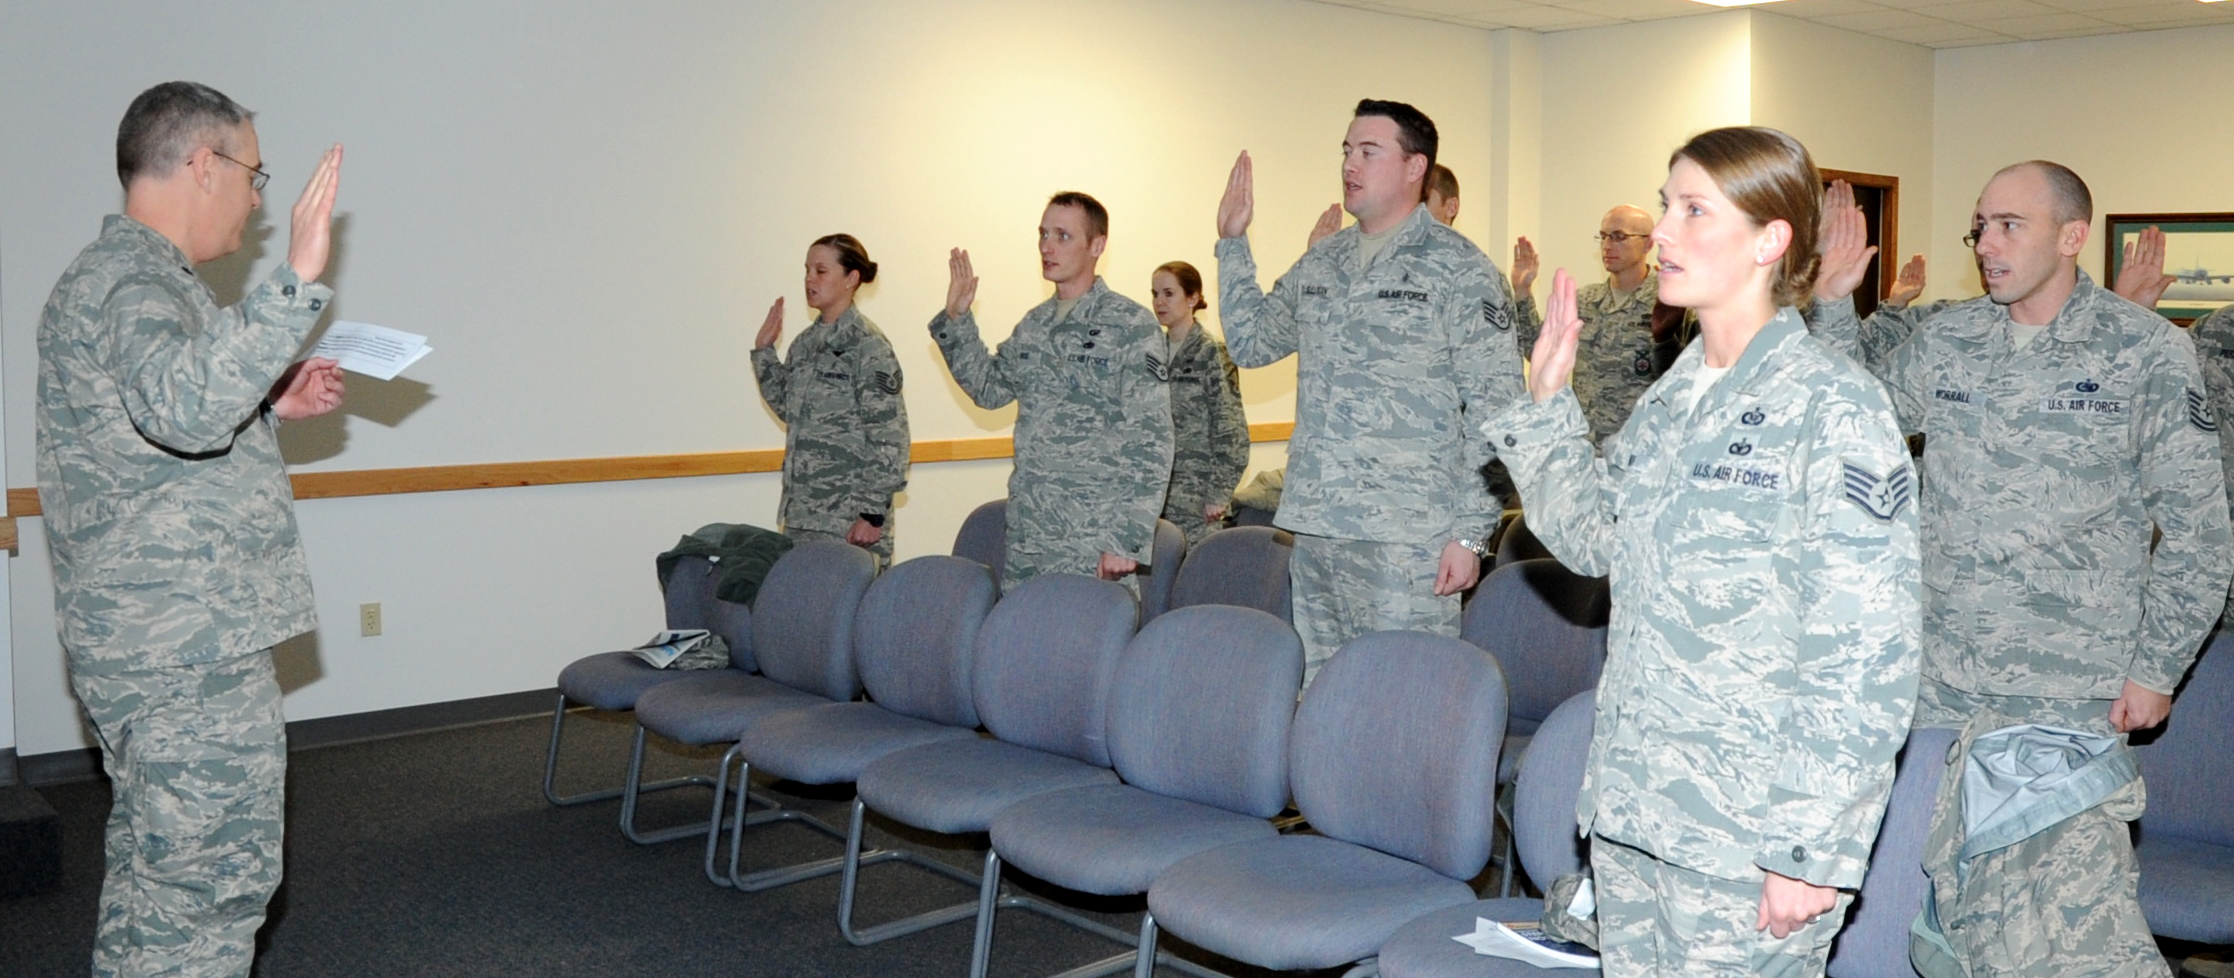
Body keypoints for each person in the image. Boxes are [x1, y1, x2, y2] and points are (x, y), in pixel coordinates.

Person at [1489, 125, 1920, 978]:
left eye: (1694, 210)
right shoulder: (1675, 396)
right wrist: (1546, 409)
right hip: (1641, 812)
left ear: (1770, 239)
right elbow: (1594, 543)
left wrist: (1810, 846)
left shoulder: (1833, 406)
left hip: (1751, 835)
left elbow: (1867, 652)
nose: (1665, 233)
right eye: (1664, 205)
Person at [1809, 161, 2232, 978]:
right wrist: (1832, 301)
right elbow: (1849, 423)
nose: (1987, 246)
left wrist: (2157, 668)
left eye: (2010, 225)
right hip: (1941, 682)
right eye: (1981, 227)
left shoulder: (2144, 351)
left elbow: (2199, 532)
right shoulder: (1953, 337)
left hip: (2064, 692)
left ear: (2073, 237)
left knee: (2071, 938)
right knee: (1933, 908)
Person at [35, 81, 346, 978]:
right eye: (252, 175)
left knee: (155, 888)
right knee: (206, 895)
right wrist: (296, 279)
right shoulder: (135, 281)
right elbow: (179, 408)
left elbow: (151, 435)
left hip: (150, 645)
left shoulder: (123, 279)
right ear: (203, 166)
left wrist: (267, 404)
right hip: (182, 659)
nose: (257, 201)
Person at [1214, 99, 1524, 684]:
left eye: (1368, 151)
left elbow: (1498, 410)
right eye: (1346, 151)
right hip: (1319, 527)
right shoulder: (1322, 263)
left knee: (1401, 696)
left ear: (1415, 168)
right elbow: (1252, 344)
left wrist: (1470, 534)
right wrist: (1233, 244)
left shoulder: (1459, 269)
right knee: (1324, 696)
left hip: (1409, 537)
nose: (1350, 165)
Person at [931, 192, 1173, 593]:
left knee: (1085, 649)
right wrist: (957, 321)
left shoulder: (1130, 325)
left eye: (1062, 235)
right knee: (1022, 648)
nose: (1046, 246)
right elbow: (990, 389)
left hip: (1092, 538)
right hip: (1030, 535)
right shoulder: (1035, 324)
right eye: (1043, 234)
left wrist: (1125, 540)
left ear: (1097, 246)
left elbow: (1152, 438)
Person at [750, 233, 910, 565]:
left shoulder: (868, 346)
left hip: (850, 521)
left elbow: (890, 436)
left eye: (821, 271)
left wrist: (871, 514)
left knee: (848, 615)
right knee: (805, 614)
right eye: (807, 270)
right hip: (802, 516)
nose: (809, 279)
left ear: (851, 279)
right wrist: (765, 353)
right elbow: (789, 409)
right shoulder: (804, 344)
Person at [1507, 206, 1669, 444]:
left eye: (1619, 236)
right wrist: (1522, 291)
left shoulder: (1669, 304)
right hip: (1586, 448)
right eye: (1603, 236)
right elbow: (1540, 353)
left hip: (1641, 451)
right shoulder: (1584, 301)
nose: (1607, 245)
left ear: (1648, 244)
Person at [1149, 261, 1250, 546]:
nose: (1159, 302)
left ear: (1192, 298)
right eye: (1155, 294)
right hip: (1159, 496)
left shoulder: (1211, 352)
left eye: (1169, 293)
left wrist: (1219, 494)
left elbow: (1232, 430)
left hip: (1198, 500)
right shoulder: (1152, 353)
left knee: (1193, 581)